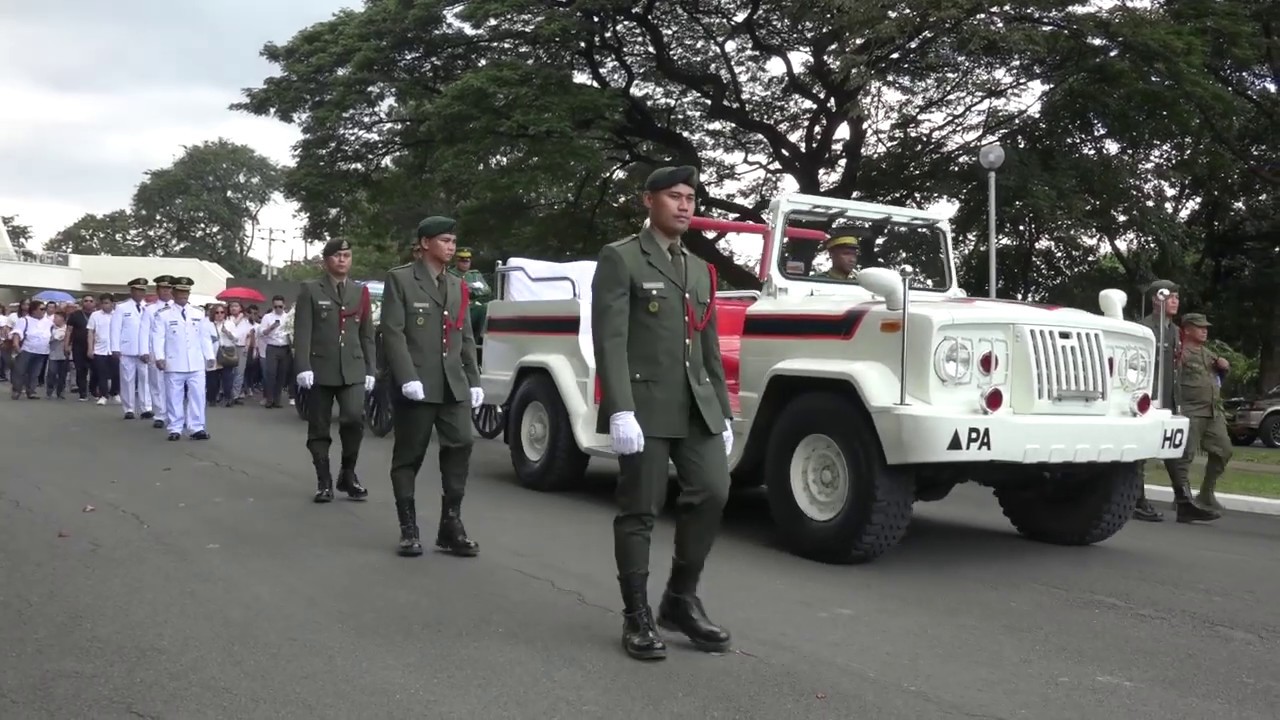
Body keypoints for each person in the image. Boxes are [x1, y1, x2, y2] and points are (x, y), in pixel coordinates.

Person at [591, 165, 735, 662]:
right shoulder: (622, 258)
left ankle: (679, 598)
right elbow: (609, 339)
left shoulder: (698, 268)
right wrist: (619, 410)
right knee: (640, 509)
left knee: (713, 490)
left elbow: (708, 343)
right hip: (644, 405)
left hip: (697, 406)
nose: (684, 205)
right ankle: (636, 616)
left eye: (691, 198)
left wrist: (724, 409)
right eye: (674, 196)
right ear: (648, 200)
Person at [380, 215, 484, 558]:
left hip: (452, 383)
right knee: (409, 456)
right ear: (425, 243)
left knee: (461, 444)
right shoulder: (401, 279)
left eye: (453, 241)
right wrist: (407, 376)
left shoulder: (456, 285)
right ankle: (409, 529)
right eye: (444, 241)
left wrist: (474, 379)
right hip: (418, 384)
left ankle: (450, 524)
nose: (451, 247)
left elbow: (464, 335)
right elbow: (393, 332)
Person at [293, 238, 376, 503]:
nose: (343, 260)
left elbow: (367, 334)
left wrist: (371, 369)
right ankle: (324, 480)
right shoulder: (311, 289)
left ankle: (348, 474)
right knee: (319, 426)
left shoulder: (359, 292)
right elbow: (303, 331)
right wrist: (303, 366)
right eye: (338, 255)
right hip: (320, 367)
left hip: (352, 367)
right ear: (327, 260)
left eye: (347, 255)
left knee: (353, 418)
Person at [1175, 313, 1233, 512]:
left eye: (1206, 327)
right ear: (1187, 330)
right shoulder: (1180, 352)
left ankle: (1207, 492)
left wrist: (1224, 367)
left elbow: (1218, 377)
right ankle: (1182, 497)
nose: (1204, 330)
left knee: (1224, 449)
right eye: (1199, 327)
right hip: (1191, 410)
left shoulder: (1208, 354)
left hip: (1212, 411)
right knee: (1185, 455)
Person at [151, 277, 215, 441]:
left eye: (186, 292)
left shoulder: (198, 313)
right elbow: (158, 338)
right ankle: (175, 428)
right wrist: (159, 357)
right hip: (174, 361)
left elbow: (205, 337)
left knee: (198, 396)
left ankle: (197, 427)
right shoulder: (163, 314)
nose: (184, 295)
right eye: (180, 291)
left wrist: (210, 356)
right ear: (173, 293)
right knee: (174, 397)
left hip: (195, 362)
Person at [110, 278, 153, 420]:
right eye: (138, 290)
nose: (140, 293)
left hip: (144, 350)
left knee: (145, 378)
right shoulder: (122, 307)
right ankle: (128, 408)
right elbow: (115, 328)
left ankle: (146, 407)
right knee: (127, 379)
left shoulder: (148, 307)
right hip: (127, 348)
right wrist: (115, 347)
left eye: (143, 291)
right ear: (132, 291)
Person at [144, 277, 176, 427]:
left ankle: (174, 414)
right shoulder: (150, 309)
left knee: (173, 385)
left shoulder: (178, 308)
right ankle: (159, 415)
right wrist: (144, 351)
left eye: (169, 289)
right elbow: (144, 332)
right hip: (155, 351)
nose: (166, 291)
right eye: (163, 289)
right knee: (156, 384)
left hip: (175, 352)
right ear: (157, 290)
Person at [258, 295, 292, 408]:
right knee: (270, 374)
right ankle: (269, 399)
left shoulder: (288, 317)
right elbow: (261, 333)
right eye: (275, 306)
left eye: (280, 306)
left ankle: (277, 400)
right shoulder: (268, 317)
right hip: (272, 347)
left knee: (282, 375)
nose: (278, 308)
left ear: (284, 305)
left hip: (285, 347)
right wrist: (271, 327)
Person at [86, 293, 119, 406]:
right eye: (103, 303)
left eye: (107, 303)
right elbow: (90, 332)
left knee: (116, 372)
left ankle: (115, 393)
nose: (104, 306)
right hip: (100, 349)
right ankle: (103, 395)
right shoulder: (95, 315)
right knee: (101, 373)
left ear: (112, 303)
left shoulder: (118, 315)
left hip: (115, 348)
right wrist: (90, 348)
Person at [450, 247, 492, 333]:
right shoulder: (450, 274)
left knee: (486, 308)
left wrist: (472, 291)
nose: (465, 264)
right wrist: (471, 288)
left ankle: (480, 339)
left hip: (475, 306)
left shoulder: (474, 275)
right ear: (456, 261)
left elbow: (487, 290)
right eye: (462, 261)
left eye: (467, 261)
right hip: (457, 307)